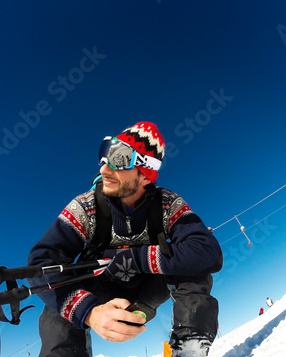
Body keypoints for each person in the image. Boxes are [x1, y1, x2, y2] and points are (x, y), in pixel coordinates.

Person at [27, 122, 223, 357]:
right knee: (57, 300)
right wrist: (88, 312)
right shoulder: (86, 206)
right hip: (102, 291)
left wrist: (138, 258)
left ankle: (190, 350)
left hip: (151, 287)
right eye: (104, 157)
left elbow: (207, 251)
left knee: (194, 269)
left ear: (145, 175)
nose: (104, 170)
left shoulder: (167, 204)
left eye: (120, 160)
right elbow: (41, 262)